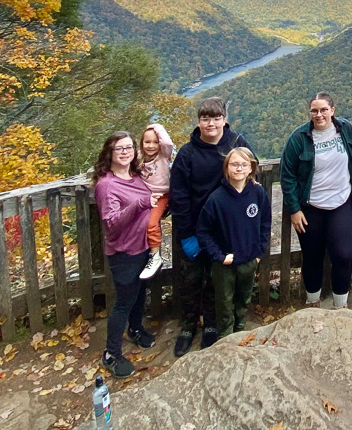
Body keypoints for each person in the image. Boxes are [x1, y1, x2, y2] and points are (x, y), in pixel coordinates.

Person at [169, 97, 251, 356]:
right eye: (206, 118)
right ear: (198, 121)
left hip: (224, 231)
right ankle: (188, 326)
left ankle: (212, 326)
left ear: (224, 120)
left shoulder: (236, 144)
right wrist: (186, 235)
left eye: (216, 118)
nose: (211, 123)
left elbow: (251, 168)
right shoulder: (187, 153)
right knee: (190, 280)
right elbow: (179, 197)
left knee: (217, 281)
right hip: (193, 228)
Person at [280, 92, 352, 310]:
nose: (319, 115)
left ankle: (340, 305)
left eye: (324, 109)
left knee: (343, 256)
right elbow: (287, 174)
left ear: (333, 111)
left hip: (341, 203)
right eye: (314, 111)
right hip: (311, 206)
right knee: (312, 256)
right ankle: (313, 301)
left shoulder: (346, 130)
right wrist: (294, 209)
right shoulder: (299, 138)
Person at [93, 131, 159, 379]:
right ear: (109, 153)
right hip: (124, 251)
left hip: (144, 247)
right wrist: (140, 205)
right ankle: (111, 354)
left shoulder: (136, 175)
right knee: (124, 302)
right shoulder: (106, 185)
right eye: (119, 148)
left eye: (129, 147)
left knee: (141, 291)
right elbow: (111, 223)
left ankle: (135, 329)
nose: (125, 152)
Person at [196, 147, 272, 339]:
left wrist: (258, 252)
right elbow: (203, 232)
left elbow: (265, 222)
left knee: (244, 299)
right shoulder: (216, 199)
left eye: (244, 165)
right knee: (224, 302)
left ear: (250, 168)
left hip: (249, 259)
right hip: (225, 263)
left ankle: (240, 333)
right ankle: (226, 339)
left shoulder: (257, 193)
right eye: (235, 164)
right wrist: (219, 256)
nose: (239, 168)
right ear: (226, 167)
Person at [139, 123, 174, 281]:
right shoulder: (139, 159)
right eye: (147, 142)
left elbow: (167, 143)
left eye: (155, 142)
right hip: (145, 196)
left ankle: (155, 255)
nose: (151, 146)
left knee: (151, 224)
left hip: (162, 195)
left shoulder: (163, 155)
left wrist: (156, 126)